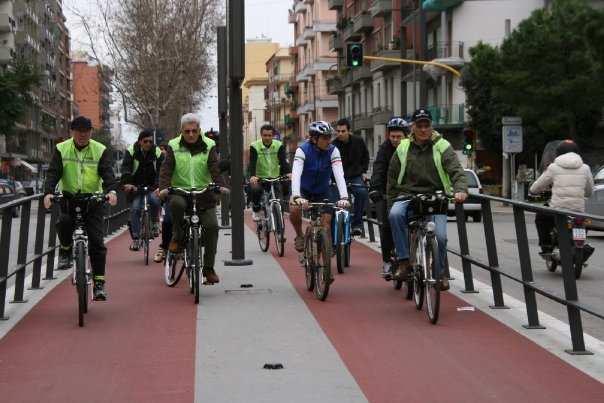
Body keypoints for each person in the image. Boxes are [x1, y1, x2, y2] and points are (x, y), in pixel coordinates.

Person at [387, 109, 468, 290]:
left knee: (440, 236)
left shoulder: (442, 145)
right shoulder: (403, 147)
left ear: (432, 126)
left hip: (436, 196)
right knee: (394, 215)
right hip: (408, 195)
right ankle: (404, 262)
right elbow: (392, 178)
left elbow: (456, 170)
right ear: (412, 127)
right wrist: (391, 202)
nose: (423, 129)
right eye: (419, 126)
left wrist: (461, 189)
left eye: (427, 125)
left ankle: (440, 274)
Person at [43, 116, 118, 301]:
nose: (83, 135)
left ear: (91, 132)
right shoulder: (62, 148)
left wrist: (111, 192)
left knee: (97, 242)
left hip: (93, 200)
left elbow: (107, 173)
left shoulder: (100, 150)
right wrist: (48, 192)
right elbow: (53, 173)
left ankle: (99, 284)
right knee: (64, 222)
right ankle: (66, 250)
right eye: (79, 132)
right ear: (72, 132)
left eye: (87, 132)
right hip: (69, 198)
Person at [158, 113, 227, 284]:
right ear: (181, 130)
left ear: (199, 130)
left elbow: (214, 168)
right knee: (176, 204)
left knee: (211, 227)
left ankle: (209, 269)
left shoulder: (209, 144)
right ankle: (178, 237)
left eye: (194, 131)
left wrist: (219, 185)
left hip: (203, 193)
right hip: (180, 191)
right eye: (187, 131)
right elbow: (166, 169)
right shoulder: (173, 145)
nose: (190, 134)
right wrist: (164, 188)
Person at [289, 121, 350, 265]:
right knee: (294, 210)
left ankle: (325, 266)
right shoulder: (302, 150)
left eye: (329, 137)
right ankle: (299, 236)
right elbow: (296, 174)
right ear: (314, 138)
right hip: (303, 190)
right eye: (324, 138)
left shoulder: (333, 150)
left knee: (326, 224)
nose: (328, 141)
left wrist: (344, 197)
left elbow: (339, 174)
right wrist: (296, 196)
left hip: (323, 191)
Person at [530, 140, 594, 256]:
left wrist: (532, 191)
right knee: (583, 221)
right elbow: (589, 191)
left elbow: (537, 187)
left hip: (558, 209)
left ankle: (546, 246)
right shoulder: (585, 168)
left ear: (558, 153)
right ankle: (580, 245)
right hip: (577, 210)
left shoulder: (554, 167)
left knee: (541, 217)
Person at [369, 117, 410, 279]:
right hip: (389, 192)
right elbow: (378, 169)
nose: (395, 140)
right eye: (392, 136)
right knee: (386, 225)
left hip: (409, 192)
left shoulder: (411, 148)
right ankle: (387, 261)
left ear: (405, 136)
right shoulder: (384, 149)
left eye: (399, 136)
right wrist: (375, 188)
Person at [121, 129, 163, 251]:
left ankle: (155, 222)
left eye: (151, 142)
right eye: (145, 141)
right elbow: (126, 168)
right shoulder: (131, 151)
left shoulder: (157, 152)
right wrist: (128, 184)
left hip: (152, 186)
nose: (148, 144)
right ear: (140, 142)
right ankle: (136, 239)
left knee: (155, 201)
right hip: (136, 187)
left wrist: (159, 185)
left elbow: (162, 170)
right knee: (135, 209)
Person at [331, 118, 370, 236]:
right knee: (335, 202)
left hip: (355, 176)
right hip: (338, 178)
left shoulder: (358, 141)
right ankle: (334, 232)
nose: (340, 134)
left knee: (362, 193)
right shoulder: (333, 145)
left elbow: (365, 156)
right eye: (338, 131)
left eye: (343, 131)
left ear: (349, 131)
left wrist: (363, 171)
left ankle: (357, 224)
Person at [248, 124, 291, 220]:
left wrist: (288, 173)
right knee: (255, 190)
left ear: (273, 135)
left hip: (274, 177)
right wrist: (252, 176)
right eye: (265, 135)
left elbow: (283, 161)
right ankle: (256, 210)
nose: (267, 138)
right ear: (261, 135)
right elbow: (252, 163)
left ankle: (279, 222)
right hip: (260, 177)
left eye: (269, 135)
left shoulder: (278, 145)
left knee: (280, 198)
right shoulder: (254, 146)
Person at [154, 143, 172, 262]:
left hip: (194, 193)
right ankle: (164, 247)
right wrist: (161, 187)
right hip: (173, 192)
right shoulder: (167, 161)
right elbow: (164, 175)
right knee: (168, 218)